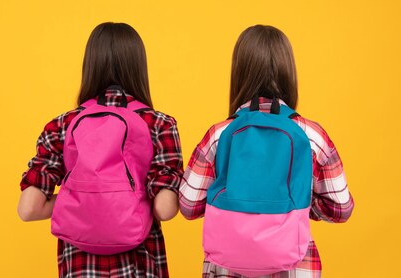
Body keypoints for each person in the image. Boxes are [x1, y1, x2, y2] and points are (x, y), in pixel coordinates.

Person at [179, 25, 355, 277]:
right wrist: (297, 202)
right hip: (296, 266)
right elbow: (341, 208)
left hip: (227, 267)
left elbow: (188, 205)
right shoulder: (312, 135)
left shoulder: (219, 134)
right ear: (289, 72)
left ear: (238, 73)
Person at [18, 22, 183, 277]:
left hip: (79, 267)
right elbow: (165, 209)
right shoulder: (159, 124)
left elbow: (28, 209)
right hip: (140, 265)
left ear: (90, 64)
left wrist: (82, 200)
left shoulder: (62, 125)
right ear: (138, 66)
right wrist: (125, 199)